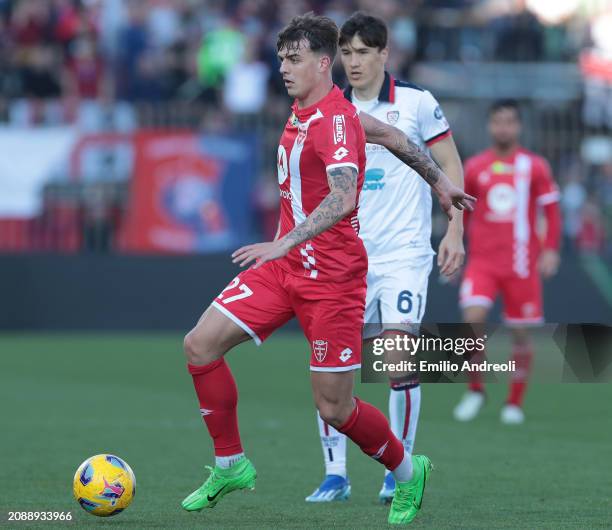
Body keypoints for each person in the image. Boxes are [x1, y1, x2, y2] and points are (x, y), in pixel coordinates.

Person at [181, 13, 474, 525]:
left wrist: (283, 241)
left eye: (293, 60)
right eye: (280, 59)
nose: (283, 69)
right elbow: (392, 135)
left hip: (331, 280)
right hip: (285, 268)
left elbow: (343, 197)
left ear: (322, 64)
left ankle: (408, 471)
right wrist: (439, 183)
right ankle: (231, 463)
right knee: (200, 345)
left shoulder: (334, 122)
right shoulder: (313, 110)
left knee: (335, 408)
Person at [306, 12, 465, 505]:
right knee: (334, 364)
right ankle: (335, 473)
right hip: (344, 255)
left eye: (361, 52)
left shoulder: (417, 102)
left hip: (403, 252)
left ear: (383, 54)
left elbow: (450, 164)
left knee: (396, 356)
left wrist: (455, 229)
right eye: (346, 53)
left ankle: (401, 468)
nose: (353, 62)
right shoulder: (329, 107)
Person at [454, 99, 561, 425]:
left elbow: (551, 211)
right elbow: (463, 210)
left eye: (509, 122)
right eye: (498, 121)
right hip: (483, 262)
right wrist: (456, 244)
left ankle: (514, 402)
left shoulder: (535, 166)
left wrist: (551, 249)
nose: (504, 128)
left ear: (519, 126)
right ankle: (475, 390)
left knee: (521, 335)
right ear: (490, 125)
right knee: (472, 319)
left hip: (521, 264)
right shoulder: (474, 167)